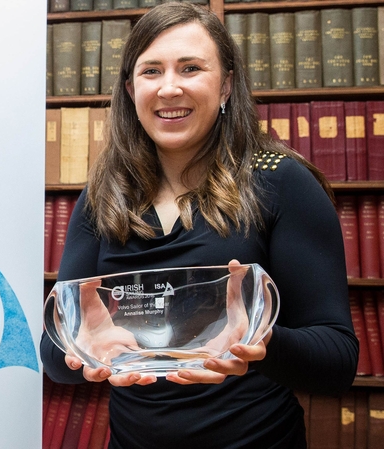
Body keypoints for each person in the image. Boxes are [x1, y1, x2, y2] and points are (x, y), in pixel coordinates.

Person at [39, 3, 359, 448]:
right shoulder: (103, 194)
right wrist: (82, 345)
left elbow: (338, 361)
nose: (169, 88)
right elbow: (53, 360)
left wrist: (259, 343)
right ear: (130, 88)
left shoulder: (282, 180)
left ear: (226, 85)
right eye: (151, 71)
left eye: (190, 68)